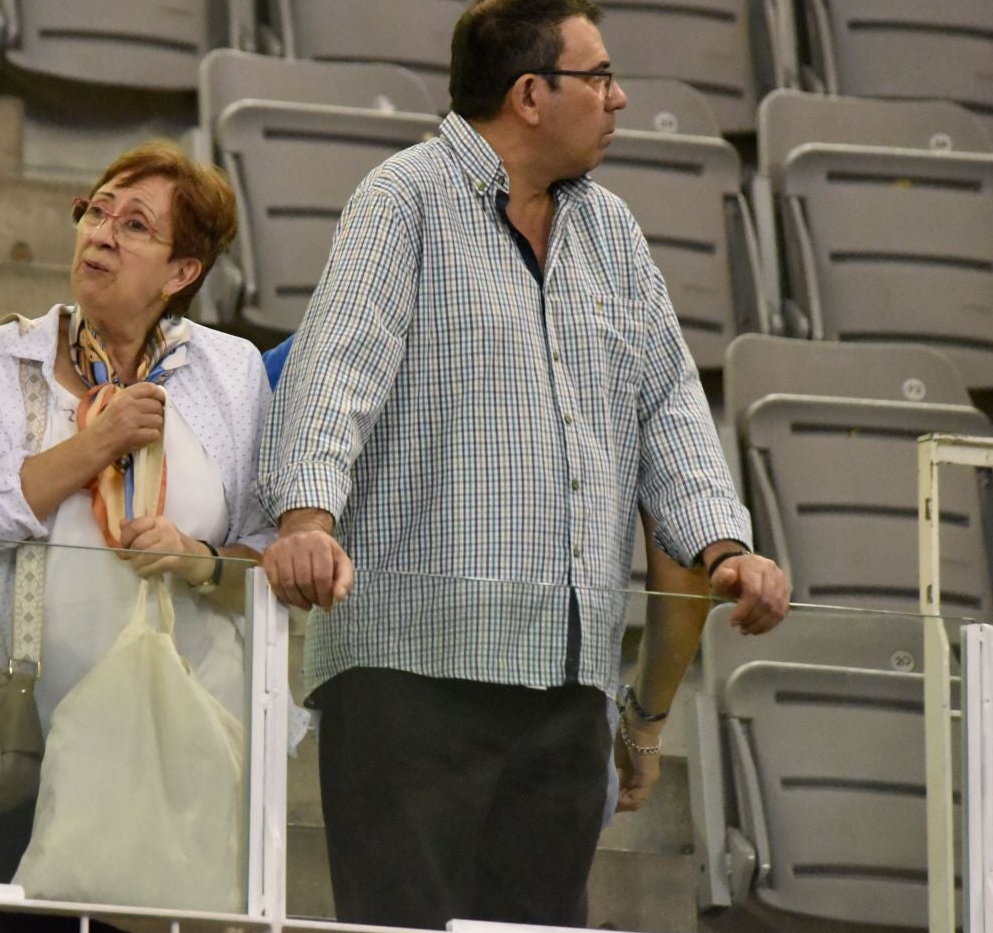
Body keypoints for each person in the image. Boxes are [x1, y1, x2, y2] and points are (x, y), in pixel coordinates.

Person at [258, 0, 792, 932]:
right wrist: (306, 519)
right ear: (530, 94)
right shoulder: (403, 199)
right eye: (601, 76)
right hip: (413, 666)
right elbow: (333, 372)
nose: (619, 98)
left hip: (564, 683)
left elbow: (668, 404)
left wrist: (724, 548)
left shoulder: (613, 232)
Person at [0, 141, 273, 933]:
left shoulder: (231, 373)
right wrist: (97, 443)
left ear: (182, 271)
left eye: (134, 225)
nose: (100, 234)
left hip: (171, 740)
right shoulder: (10, 356)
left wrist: (197, 557)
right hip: (25, 736)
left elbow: (270, 546)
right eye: (94, 211)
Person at [258, 342, 705, 821]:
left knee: (405, 896)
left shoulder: (348, 331)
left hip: (392, 681)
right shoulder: (620, 329)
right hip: (563, 688)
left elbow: (245, 480)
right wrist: (645, 724)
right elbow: (683, 543)